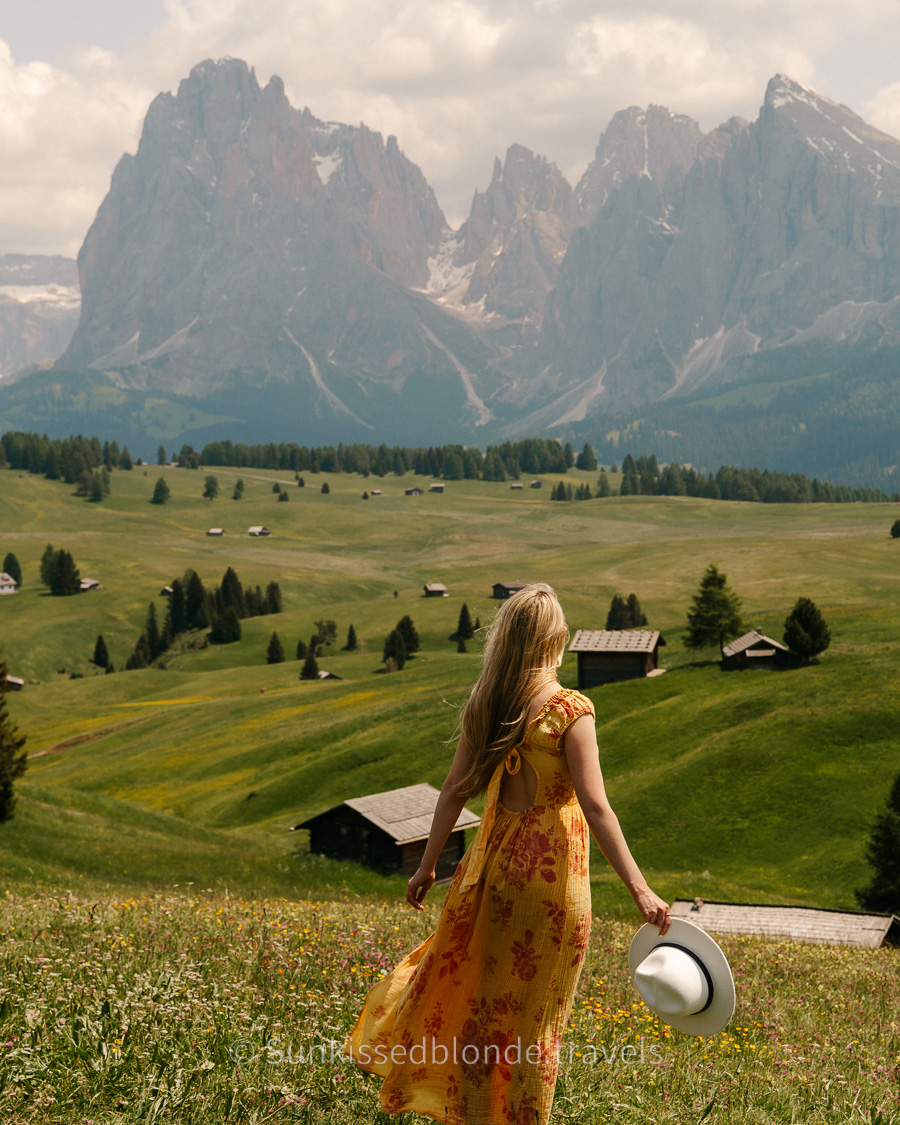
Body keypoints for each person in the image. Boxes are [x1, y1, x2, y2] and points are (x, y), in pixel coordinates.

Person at [346, 583, 670, 1124]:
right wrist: (640, 888)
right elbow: (597, 806)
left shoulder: (488, 703)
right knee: (536, 1023)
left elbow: (454, 790)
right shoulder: (571, 710)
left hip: (493, 875)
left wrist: (428, 867)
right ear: (557, 639)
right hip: (552, 888)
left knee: (483, 1008)